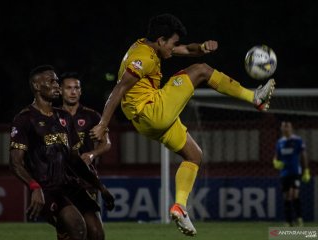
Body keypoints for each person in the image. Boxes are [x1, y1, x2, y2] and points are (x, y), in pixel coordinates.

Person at [90, 13, 276, 236]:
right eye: (173, 43)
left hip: (146, 122)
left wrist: (202, 47)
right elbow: (119, 89)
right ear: (160, 40)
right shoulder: (143, 57)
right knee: (201, 70)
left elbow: (187, 50)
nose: (174, 48)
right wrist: (103, 125)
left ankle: (180, 206)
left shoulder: (149, 45)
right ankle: (254, 97)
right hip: (152, 110)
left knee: (194, 155)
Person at [9, 65, 114, 240]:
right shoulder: (24, 119)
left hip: (72, 185)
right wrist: (34, 187)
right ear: (36, 86)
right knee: (77, 227)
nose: (56, 85)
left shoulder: (63, 117)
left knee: (96, 233)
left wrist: (99, 186)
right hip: (47, 189)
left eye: (57, 81)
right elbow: (15, 163)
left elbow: (74, 159)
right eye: (51, 81)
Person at [59, 71, 109, 239]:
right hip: (61, 182)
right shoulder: (52, 116)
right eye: (68, 88)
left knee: (96, 233)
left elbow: (106, 143)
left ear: (81, 91)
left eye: (76, 88)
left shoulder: (92, 116)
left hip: (86, 181)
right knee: (69, 233)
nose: (73, 92)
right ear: (60, 90)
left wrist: (92, 154)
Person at [273, 121, 311, 227]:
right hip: (284, 173)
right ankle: (289, 221)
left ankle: (299, 218)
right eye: (283, 126)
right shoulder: (280, 142)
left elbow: (303, 155)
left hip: (295, 171)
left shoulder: (297, 140)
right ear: (281, 128)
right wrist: (275, 162)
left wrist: (306, 170)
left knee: (294, 194)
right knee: (286, 196)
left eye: (287, 126)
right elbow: (277, 156)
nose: (285, 128)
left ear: (291, 128)